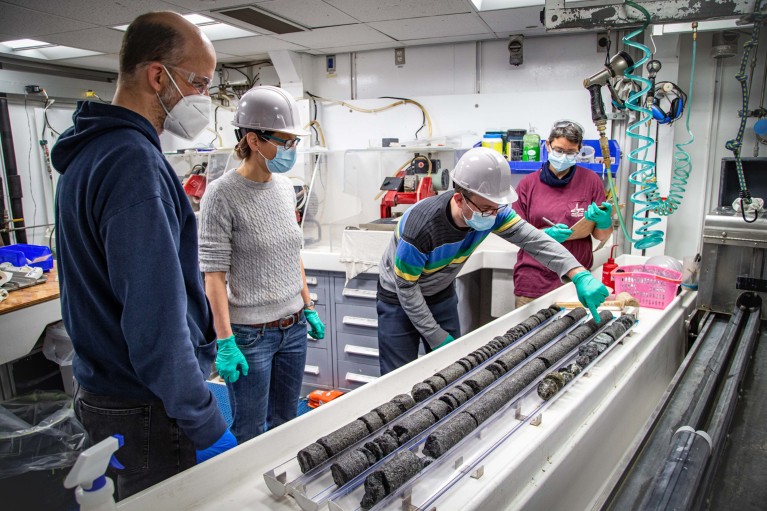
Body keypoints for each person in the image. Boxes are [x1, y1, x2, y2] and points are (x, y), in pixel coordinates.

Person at [52, 12, 235, 500]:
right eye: (199, 84)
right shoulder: (133, 163)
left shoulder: (88, 153)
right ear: (158, 76)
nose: (202, 101)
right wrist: (204, 420)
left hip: (103, 393)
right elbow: (155, 320)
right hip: (145, 408)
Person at [376, 147, 609, 375]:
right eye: (487, 208)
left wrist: (578, 274)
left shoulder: (492, 212)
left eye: (497, 207)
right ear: (459, 199)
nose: (493, 214)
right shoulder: (420, 228)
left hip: (440, 291)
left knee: (449, 371)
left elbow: (534, 240)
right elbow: (406, 286)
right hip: (399, 296)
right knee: (397, 377)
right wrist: (435, 335)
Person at [198, 86, 326, 443]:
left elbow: (291, 253)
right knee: (251, 429)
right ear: (254, 140)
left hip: (294, 326)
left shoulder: (286, 189)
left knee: (287, 420)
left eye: (294, 141)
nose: (292, 150)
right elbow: (213, 275)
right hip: (251, 335)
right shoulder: (221, 195)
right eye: (285, 141)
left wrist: (308, 306)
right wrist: (225, 340)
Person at [513, 120, 614, 308]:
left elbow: (601, 236)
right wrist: (544, 235)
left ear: (579, 150)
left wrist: (603, 221)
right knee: (529, 336)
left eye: (570, 152)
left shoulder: (591, 181)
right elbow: (514, 233)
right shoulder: (528, 185)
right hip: (534, 281)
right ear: (548, 146)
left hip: (576, 281)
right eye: (559, 150)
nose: (563, 156)